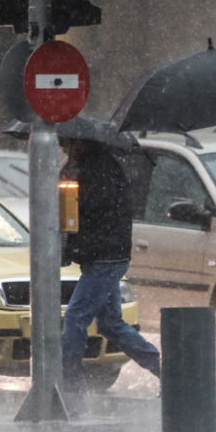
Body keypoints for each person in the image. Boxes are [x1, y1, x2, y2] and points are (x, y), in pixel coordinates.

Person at [60, 138, 160, 396]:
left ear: (81, 144)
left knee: (75, 316)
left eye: (66, 143)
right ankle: (163, 368)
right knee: (109, 323)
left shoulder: (98, 170)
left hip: (105, 257)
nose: (63, 148)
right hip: (103, 255)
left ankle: (67, 380)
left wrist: (72, 187)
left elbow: (88, 211)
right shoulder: (94, 167)